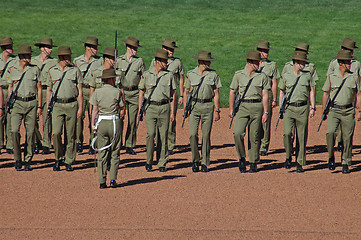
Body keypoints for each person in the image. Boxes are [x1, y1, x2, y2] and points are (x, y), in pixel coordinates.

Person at [229, 50, 269, 173]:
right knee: (238, 133)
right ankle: (241, 158)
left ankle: (253, 161)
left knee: (254, 136)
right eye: (257, 62)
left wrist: (266, 112)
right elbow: (232, 91)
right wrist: (231, 109)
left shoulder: (262, 76)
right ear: (250, 62)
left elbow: (265, 95)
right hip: (243, 107)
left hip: (257, 107)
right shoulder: (239, 74)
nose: (259, 65)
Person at [322, 50, 361, 174]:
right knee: (331, 133)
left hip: (349, 111)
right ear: (341, 63)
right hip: (334, 110)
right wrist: (324, 110)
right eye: (347, 62)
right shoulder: (331, 76)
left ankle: (345, 161)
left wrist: (359, 110)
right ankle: (330, 156)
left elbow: (359, 94)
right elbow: (326, 93)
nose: (350, 64)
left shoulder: (354, 77)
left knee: (347, 137)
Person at [46, 46, 83, 171]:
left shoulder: (75, 71)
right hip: (57, 105)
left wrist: (80, 108)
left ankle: (69, 160)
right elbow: (49, 90)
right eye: (67, 56)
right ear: (61, 58)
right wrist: (48, 107)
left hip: (72, 104)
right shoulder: (52, 70)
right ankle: (58, 158)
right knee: (56, 133)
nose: (70, 58)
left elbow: (80, 91)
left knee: (70, 134)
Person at [138, 49, 176, 172]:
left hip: (164, 108)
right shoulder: (147, 74)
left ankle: (161, 162)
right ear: (158, 61)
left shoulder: (169, 75)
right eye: (165, 61)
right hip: (150, 108)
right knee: (150, 135)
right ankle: (149, 161)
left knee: (163, 136)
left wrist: (173, 112)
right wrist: (140, 109)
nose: (166, 63)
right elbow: (141, 92)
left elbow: (173, 93)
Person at [183, 50, 221, 172]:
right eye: (207, 62)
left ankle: (204, 162)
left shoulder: (213, 75)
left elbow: (216, 93)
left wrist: (217, 110)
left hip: (208, 107)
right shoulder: (190, 74)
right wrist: (185, 108)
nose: (209, 64)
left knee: (206, 136)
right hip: (194, 106)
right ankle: (195, 160)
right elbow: (186, 92)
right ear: (200, 62)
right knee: (193, 135)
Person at [6, 45, 41, 171]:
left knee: (30, 132)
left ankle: (28, 159)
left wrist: (39, 106)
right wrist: (9, 104)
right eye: (27, 55)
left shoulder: (35, 69)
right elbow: (10, 87)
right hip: (17, 103)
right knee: (14, 130)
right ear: (21, 56)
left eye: (30, 55)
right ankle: (17, 158)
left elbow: (39, 88)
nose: (29, 57)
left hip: (31, 103)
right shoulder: (12, 69)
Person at [279, 51, 316, 173]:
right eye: (301, 62)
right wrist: (281, 108)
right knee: (287, 134)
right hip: (289, 108)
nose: (304, 64)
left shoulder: (307, 75)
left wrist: (313, 107)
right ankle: (288, 156)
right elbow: (282, 91)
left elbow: (311, 90)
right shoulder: (286, 75)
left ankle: (299, 162)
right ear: (295, 62)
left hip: (303, 108)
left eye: (305, 62)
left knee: (301, 136)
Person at [149, 38, 185, 155]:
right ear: (163, 48)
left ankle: (170, 145)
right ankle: (158, 142)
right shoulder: (155, 61)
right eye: (169, 49)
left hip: (172, 94)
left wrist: (182, 95)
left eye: (172, 50)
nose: (171, 52)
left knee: (171, 119)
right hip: (159, 93)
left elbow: (180, 78)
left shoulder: (177, 62)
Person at [90, 68, 125, 189]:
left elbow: (94, 111)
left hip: (101, 123)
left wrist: (93, 126)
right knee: (115, 152)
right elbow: (122, 110)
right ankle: (113, 179)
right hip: (114, 123)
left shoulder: (97, 92)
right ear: (111, 79)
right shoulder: (117, 92)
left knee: (102, 152)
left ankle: (102, 181)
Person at [326, 37, 361, 153]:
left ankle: (341, 142)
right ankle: (339, 142)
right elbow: (329, 80)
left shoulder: (356, 64)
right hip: (336, 96)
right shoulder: (334, 63)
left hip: (350, 94)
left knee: (346, 127)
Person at [89, 48, 124, 155]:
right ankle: (94, 144)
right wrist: (91, 108)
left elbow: (121, 91)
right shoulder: (96, 72)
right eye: (112, 59)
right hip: (99, 107)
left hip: (113, 108)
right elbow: (92, 90)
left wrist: (123, 108)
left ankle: (110, 156)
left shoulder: (117, 73)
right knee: (97, 128)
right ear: (105, 59)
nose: (114, 61)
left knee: (112, 133)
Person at [117, 36, 145, 155]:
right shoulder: (119, 60)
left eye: (136, 49)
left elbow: (143, 77)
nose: (136, 51)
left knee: (133, 120)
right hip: (121, 92)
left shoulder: (139, 61)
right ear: (128, 48)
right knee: (119, 119)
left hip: (134, 93)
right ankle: (117, 144)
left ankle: (129, 144)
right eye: (134, 48)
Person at [74, 36, 102, 154]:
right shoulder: (77, 61)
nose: (96, 50)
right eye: (93, 47)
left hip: (94, 91)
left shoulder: (100, 61)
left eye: (96, 47)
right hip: (81, 91)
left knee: (93, 117)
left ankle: (92, 142)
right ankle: (79, 142)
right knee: (79, 117)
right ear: (87, 48)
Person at [32, 37, 58, 155]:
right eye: (48, 47)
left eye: (51, 48)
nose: (50, 50)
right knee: (32, 119)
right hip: (35, 92)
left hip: (47, 90)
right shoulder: (33, 61)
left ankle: (47, 144)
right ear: (42, 48)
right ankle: (37, 141)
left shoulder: (54, 62)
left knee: (47, 118)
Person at [254, 40, 280, 157]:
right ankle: (256, 144)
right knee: (255, 122)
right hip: (255, 96)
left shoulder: (272, 65)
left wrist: (274, 99)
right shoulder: (252, 64)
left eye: (267, 51)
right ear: (258, 51)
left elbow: (274, 82)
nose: (266, 53)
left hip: (267, 96)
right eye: (264, 51)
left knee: (265, 122)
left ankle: (264, 145)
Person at [0, 36, 16, 154]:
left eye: (11, 46)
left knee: (11, 117)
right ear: (3, 48)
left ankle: (10, 144)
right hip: (0, 90)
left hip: (11, 90)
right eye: (8, 46)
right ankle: (0, 144)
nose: (11, 48)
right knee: (0, 117)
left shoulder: (16, 60)